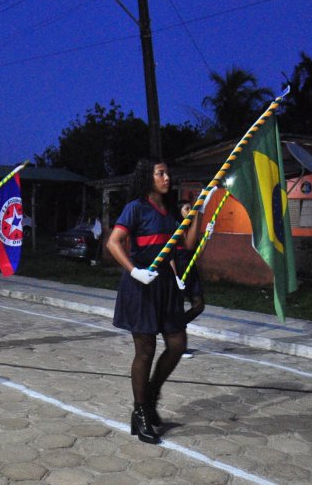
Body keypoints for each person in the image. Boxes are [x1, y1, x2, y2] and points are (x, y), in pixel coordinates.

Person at [105, 158, 199, 444]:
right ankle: (140, 413)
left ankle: (151, 396)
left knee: (177, 344)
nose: (167, 178)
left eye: (167, 173)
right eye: (161, 173)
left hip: (166, 286)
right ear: (148, 177)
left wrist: (197, 215)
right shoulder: (136, 208)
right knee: (145, 350)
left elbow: (187, 245)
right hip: (141, 285)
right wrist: (134, 271)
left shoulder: (170, 211)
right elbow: (113, 242)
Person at [175, 200, 214, 358]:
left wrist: (207, 237)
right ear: (180, 211)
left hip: (191, 270)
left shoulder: (192, 229)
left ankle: (176, 324)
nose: (190, 211)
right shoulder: (176, 227)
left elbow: (197, 254)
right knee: (178, 308)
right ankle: (180, 348)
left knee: (199, 305)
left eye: (191, 208)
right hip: (178, 269)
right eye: (187, 208)